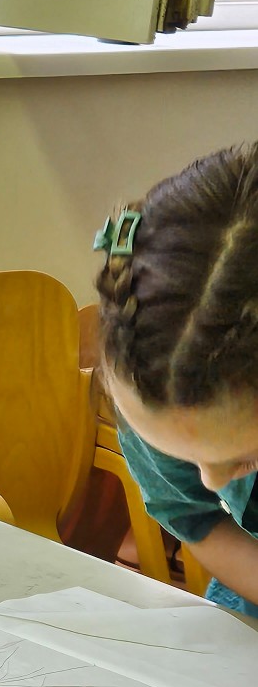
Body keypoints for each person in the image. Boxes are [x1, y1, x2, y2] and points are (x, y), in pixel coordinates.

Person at [97, 140, 258, 619]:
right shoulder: (156, 377)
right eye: (184, 457)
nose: (210, 481)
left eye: (249, 458)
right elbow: (194, 515)